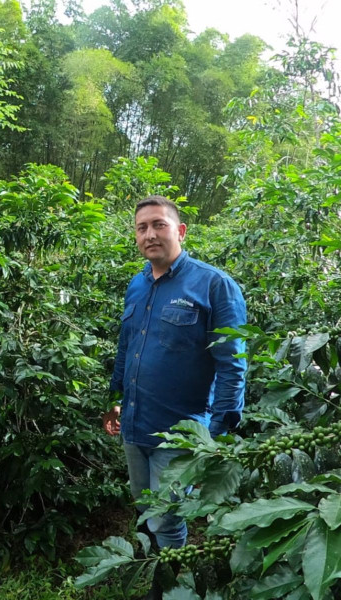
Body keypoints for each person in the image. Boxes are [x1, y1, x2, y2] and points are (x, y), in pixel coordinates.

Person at [102, 196, 246, 597]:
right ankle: (156, 571)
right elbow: (127, 345)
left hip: (181, 432)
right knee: (144, 506)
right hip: (135, 423)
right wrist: (115, 398)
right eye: (142, 227)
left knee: (168, 517)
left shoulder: (215, 286)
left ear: (179, 231)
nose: (150, 234)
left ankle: (169, 587)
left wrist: (217, 436)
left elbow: (232, 365)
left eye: (159, 225)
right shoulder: (138, 283)